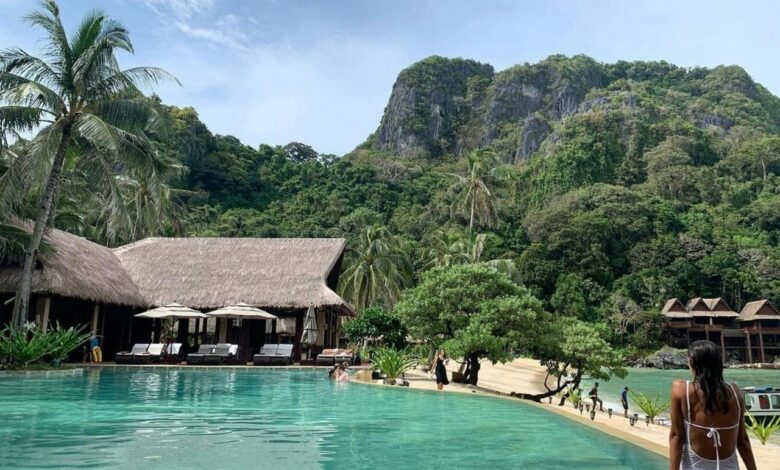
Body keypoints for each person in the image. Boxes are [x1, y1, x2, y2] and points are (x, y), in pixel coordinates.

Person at [669, 340, 757, 470]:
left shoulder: (682, 390)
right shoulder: (735, 392)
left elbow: (677, 436)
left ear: (691, 362)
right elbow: (742, 440)